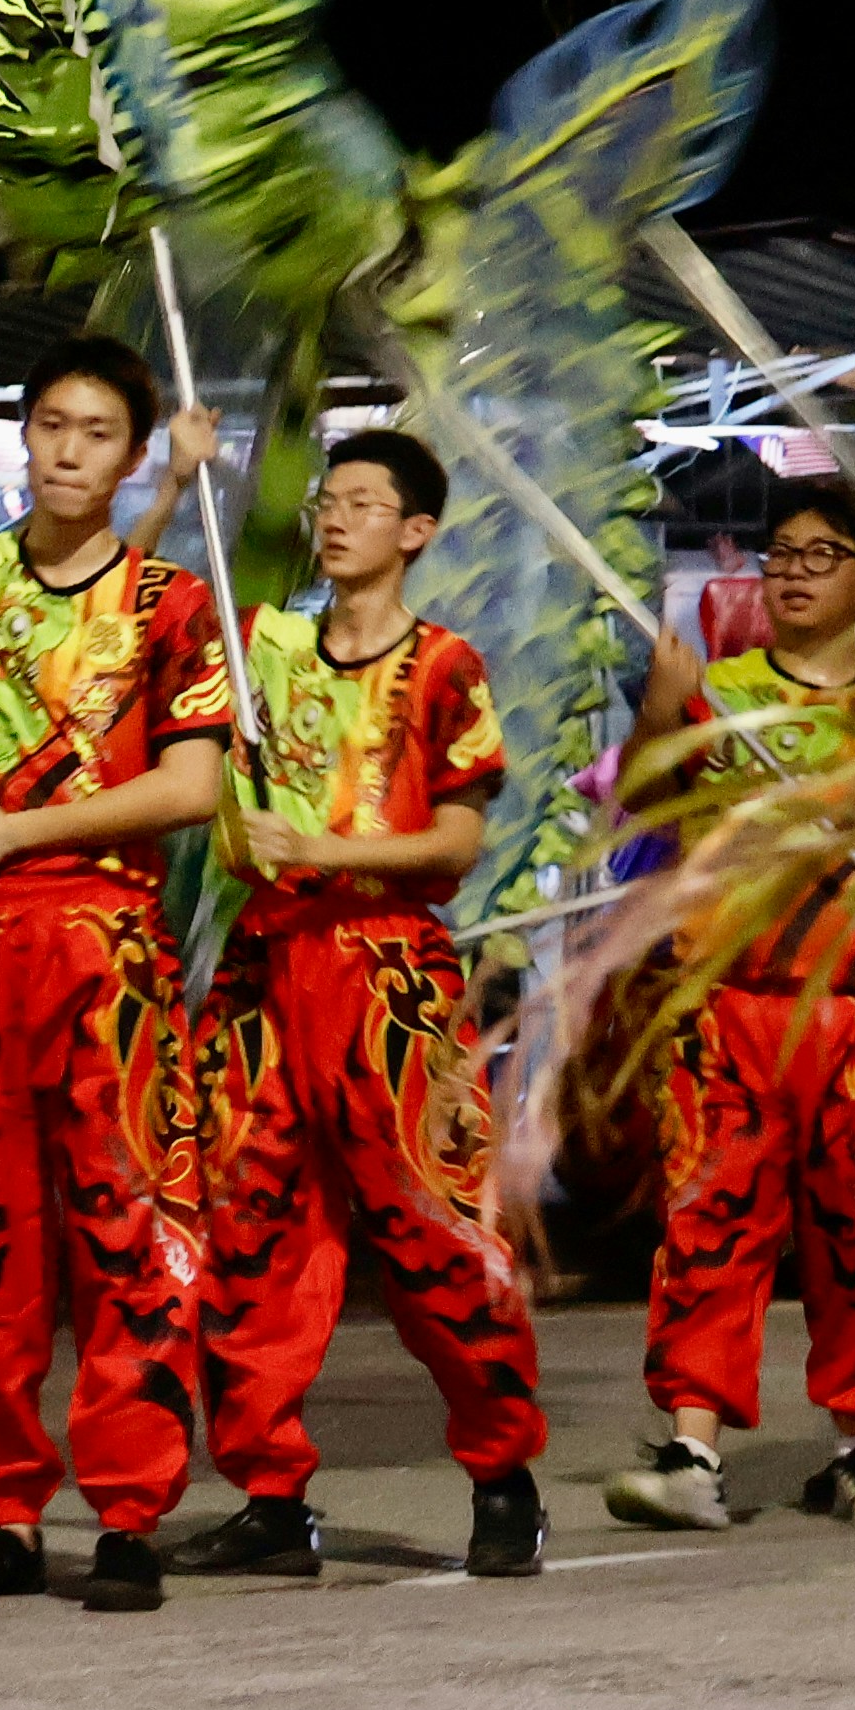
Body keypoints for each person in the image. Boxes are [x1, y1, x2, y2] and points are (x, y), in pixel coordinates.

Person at [177, 428, 549, 1585]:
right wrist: (196, 465)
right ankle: (272, 1495)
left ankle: (502, 1473)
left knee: (435, 1228)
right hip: (264, 968)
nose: (336, 518)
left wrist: (324, 843)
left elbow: (457, 838)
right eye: (327, 500)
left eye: (364, 502)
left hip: (386, 972)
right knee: (250, 1229)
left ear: (416, 530)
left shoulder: (446, 668)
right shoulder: (261, 645)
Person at [0, 337, 229, 1612]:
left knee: (129, 1226)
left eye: (98, 431)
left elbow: (191, 787)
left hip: (108, 945)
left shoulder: (172, 602)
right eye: (50, 423)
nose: (69, 448)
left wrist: (18, 830)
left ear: (131, 453)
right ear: (21, 436)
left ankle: (133, 1510)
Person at [603, 483, 855, 1534]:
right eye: (780, 553)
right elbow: (647, 804)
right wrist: (663, 703)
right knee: (711, 1224)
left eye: (822, 554)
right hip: (733, 1005)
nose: (792, 571)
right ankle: (691, 1451)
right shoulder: (721, 692)